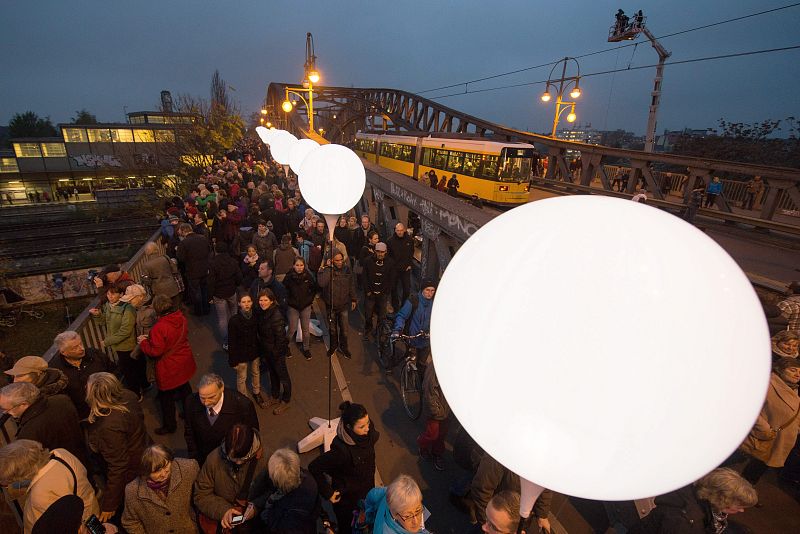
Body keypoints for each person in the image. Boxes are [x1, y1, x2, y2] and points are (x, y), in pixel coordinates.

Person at [85, 372, 151, 522]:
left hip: (131, 471)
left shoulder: (107, 426)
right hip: (143, 452)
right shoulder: (129, 396)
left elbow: (118, 465)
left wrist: (110, 505)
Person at [0, 440, 99, 534]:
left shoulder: (40, 495)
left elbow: (57, 526)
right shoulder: (61, 453)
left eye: (11, 479)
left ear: (22, 475)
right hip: (91, 512)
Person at [309, 401, 380, 531]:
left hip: (367, 493)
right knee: (347, 528)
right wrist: (328, 492)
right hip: (348, 502)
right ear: (348, 427)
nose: (367, 429)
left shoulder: (367, 433)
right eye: (362, 426)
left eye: (368, 423)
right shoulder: (341, 452)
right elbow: (314, 467)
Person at [629, 468, 757, 534]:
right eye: (739, 505)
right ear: (721, 499)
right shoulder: (684, 523)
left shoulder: (695, 492)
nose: (742, 510)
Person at [138, 294, 197, 435]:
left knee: (166, 398)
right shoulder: (181, 318)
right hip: (184, 360)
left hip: (168, 366)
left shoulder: (159, 327)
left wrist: (144, 343)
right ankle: (190, 414)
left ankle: (170, 425)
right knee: (185, 389)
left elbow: (155, 351)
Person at [736, 357, 800, 485]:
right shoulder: (767, 384)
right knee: (738, 463)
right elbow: (750, 408)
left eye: (799, 372)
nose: (797, 374)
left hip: (776, 440)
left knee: (757, 468)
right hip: (760, 437)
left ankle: (744, 491)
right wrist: (764, 428)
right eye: (793, 370)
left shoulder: (793, 389)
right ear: (780, 370)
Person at [194, 424, 268, 534]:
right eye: (231, 458)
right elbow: (201, 495)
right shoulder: (213, 459)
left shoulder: (267, 460)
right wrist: (224, 511)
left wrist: (256, 507)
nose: (237, 462)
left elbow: (273, 492)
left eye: (242, 458)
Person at [0, 382, 87, 467]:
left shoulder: (28, 434)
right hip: (82, 455)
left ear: (23, 404)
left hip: (65, 467)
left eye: (7, 410)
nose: (6, 413)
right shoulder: (62, 400)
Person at [121, 444, 200, 534]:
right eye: (156, 471)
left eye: (166, 467)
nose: (163, 474)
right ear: (145, 472)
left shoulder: (189, 468)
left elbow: (202, 496)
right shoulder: (132, 490)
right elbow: (130, 522)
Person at [183, 373, 260, 464]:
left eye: (211, 397)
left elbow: (252, 433)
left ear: (222, 388)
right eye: (202, 398)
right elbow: (189, 433)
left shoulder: (243, 405)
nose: (206, 403)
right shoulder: (191, 402)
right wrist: (194, 458)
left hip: (231, 460)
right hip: (205, 459)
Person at [468, 452, 553, 531]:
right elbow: (482, 489)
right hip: (497, 517)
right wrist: (489, 523)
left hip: (518, 521)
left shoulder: (541, 457)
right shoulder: (501, 452)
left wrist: (542, 514)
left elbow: (543, 485)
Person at [90, 283, 145, 398]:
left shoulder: (127, 308)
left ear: (121, 294)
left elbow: (126, 331)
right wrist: (97, 315)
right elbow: (103, 321)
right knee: (132, 368)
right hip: (118, 345)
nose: (110, 296)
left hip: (127, 345)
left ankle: (136, 394)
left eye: (113, 293)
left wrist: (107, 341)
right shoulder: (108, 306)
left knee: (129, 371)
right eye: (108, 293)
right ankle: (143, 386)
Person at [250, 448, 322, 533]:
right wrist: (254, 506)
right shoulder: (309, 480)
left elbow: (272, 523)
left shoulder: (287, 520)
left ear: (277, 482)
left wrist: (256, 510)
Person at [49, 331, 116, 419]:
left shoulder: (95, 355)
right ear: (63, 352)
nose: (81, 348)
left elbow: (114, 371)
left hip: (110, 404)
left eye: (81, 344)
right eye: (75, 348)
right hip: (84, 415)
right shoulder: (56, 370)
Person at [257, 288, 292, 414]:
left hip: (276, 353)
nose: (262, 302)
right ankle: (275, 397)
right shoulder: (263, 312)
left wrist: (276, 354)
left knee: (283, 376)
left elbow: (281, 338)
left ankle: (286, 400)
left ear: (272, 301)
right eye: (261, 300)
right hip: (268, 351)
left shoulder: (276, 316)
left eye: (265, 300)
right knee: (273, 375)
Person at [318, 251, 357, 359]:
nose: (340, 262)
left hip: (344, 305)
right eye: (337, 260)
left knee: (344, 329)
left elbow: (351, 284)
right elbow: (321, 283)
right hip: (331, 306)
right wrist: (329, 268)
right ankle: (333, 346)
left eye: (341, 259)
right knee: (332, 329)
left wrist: (353, 298)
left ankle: (344, 347)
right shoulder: (326, 270)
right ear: (332, 260)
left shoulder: (347, 269)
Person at [393, 279, 437, 374]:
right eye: (427, 290)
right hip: (412, 337)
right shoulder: (413, 301)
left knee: (421, 365)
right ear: (422, 290)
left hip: (425, 339)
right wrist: (398, 329)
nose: (430, 293)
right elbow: (402, 316)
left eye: (432, 290)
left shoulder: (435, 304)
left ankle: (419, 384)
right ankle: (392, 365)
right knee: (409, 359)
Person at [229, 293, 265, 408]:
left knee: (255, 372)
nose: (246, 304)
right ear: (239, 304)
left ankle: (256, 392)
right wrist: (233, 361)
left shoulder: (256, 316)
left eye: (248, 301)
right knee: (242, 378)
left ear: (252, 302)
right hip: (241, 355)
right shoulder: (234, 321)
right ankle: (243, 398)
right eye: (243, 302)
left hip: (254, 351)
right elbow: (232, 341)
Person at [364, 474, 431, 533]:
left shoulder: (393, 494)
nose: (416, 521)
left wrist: (368, 515)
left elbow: (373, 494)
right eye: (408, 516)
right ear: (394, 515)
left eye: (418, 510)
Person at [208, 241, 243, 350]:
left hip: (219, 294)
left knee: (223, 319)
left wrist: (210, 295)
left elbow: (211, 282)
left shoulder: (213, 263)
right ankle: (237, 337)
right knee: (234, 315)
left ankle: (227, 342)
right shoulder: (233, 261)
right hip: (231, 291)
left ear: (216, 250)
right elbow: (239, 277)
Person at [418, 360, 450, 471]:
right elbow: (429, 392)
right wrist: (436, 411)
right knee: (432, 434)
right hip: (437, 410)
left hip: (446, 409)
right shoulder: (436, 365)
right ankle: (422, 445)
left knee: (442, 434)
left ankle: (437, 453)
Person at [284, 256, 318, 360]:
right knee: (292, 328)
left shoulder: (308, 276)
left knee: (305, 329)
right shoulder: (289, 277)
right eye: (297, 265)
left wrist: (309, 300)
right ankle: (286, 346)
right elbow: (284, 289)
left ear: (304, 266)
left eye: (301, 265)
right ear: (293, 265)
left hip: (305, 306)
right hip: (293, 307)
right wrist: (288, 301)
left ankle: (306, 348)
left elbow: (314, 289)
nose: (299, 267)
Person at [176, 222, 211, 315]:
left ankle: (199, 311)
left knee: (196, 292)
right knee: (204, 289)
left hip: (192, 271)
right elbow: (209, 251)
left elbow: (181, 258)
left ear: (183, 231)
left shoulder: (184, 243)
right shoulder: (203, 238)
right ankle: (206, 308)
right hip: (204, 268)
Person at [363, 242, 395, 339]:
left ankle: (378, 331)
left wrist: (387, 291)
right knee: (368, 314)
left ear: (385, 252)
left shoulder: (390, 262)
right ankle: (368, 329)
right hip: (371, 293)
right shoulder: (368, 261)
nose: (380, 254)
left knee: (382, 315)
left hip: (383, 293)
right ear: (375, 251)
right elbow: (365, 277)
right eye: (378, 251)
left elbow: (392, 278)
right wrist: (368, 291)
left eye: (382, 252)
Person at [141, 242, 182, 308]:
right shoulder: (166, 257)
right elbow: (174, 270)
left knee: (164, 311)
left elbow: (147, 281)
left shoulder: (146, 265)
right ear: (157, 249)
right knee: (176, 308)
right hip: (172, 287)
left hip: (159, 291)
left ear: (147, 252)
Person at [387, 223, 415, 312]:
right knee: (393, 288)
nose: (399, 232)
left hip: (405, 269)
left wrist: (409, 264)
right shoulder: (390, 241)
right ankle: (395, 306)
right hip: (395, 269)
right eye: (397, 230)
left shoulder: (410, 240)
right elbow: (388, 256)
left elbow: (411, 252)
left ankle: (403, 305)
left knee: (407, 289)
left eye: (401, 230)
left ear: (404, 230)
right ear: (395, 230)